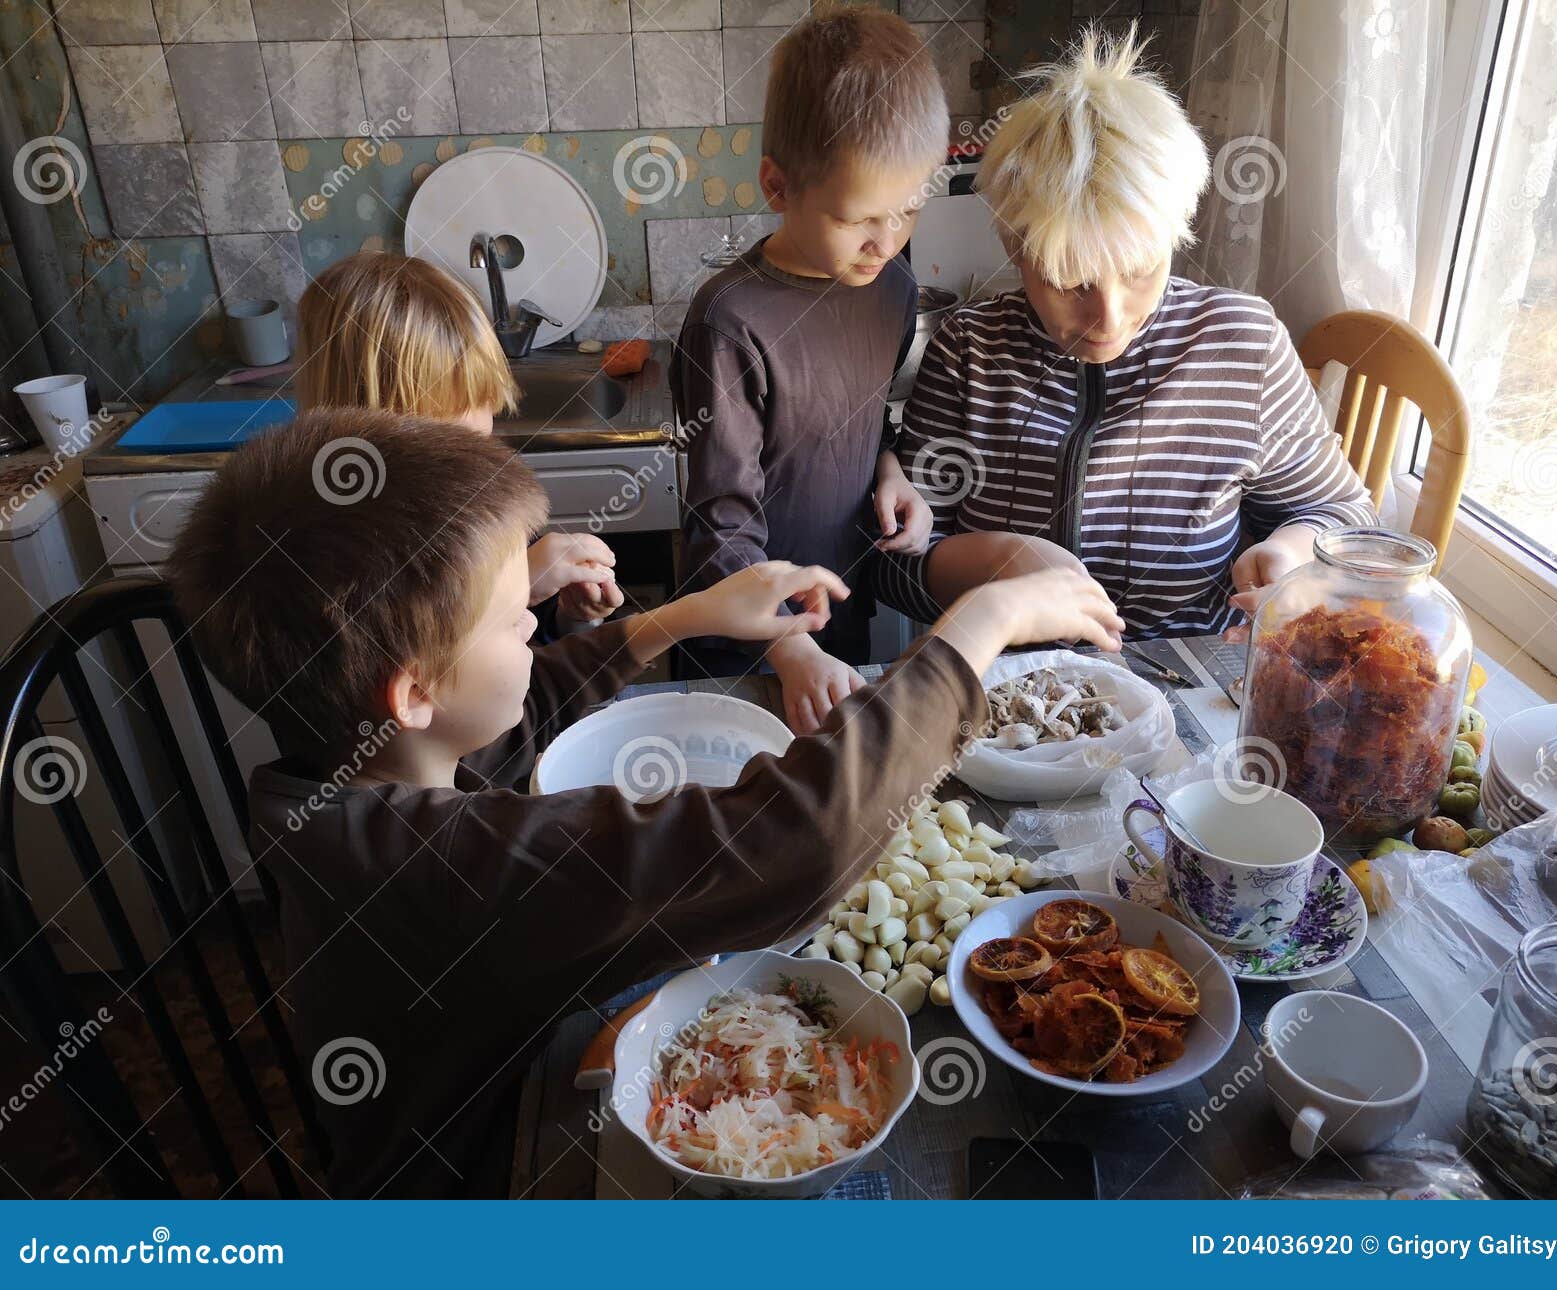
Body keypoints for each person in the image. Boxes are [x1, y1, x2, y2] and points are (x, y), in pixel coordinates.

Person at [166, 406, 1117, 1197]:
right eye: (514, 619)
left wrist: (682, 619)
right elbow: (795, 838)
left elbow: (507, 711)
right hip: (483, 1184)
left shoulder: (361, 773)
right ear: (412, 692)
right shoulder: (428, 866)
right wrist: (982, 626)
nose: (536, 620)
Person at [875, 28, 1377, 653]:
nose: (1107, 318)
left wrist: (1289, 552)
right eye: (1068, 281)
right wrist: (999, 563)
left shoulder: (1242, 348)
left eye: (1140, 270)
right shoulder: (969, 352)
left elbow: (1347, 519)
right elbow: (892, 565)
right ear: (1014, 247)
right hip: (1016, 706)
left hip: (1188, 683)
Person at [670, 5, 945, 734]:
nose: (887, 242)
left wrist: (892, 471)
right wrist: (788, 647)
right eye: (860, 218)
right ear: (779, 187)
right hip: (744, 649)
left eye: (909, 209)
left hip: (841, 613)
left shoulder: (891, 288)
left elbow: (868, 414)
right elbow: (719, 523)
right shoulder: (728, 321)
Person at [296, 249, 621, 624]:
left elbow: (529, 661)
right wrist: (514, 589)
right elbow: (395, 660)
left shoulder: (476, 503)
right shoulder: (331, 547)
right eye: (452, 443)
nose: (484, 431)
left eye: (485, 401)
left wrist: (571, 618)